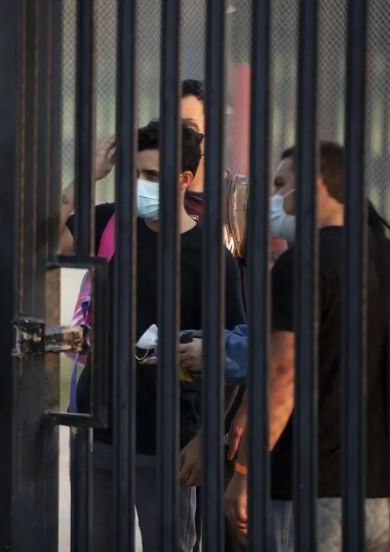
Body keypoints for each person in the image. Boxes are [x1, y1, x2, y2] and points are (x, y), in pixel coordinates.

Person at [224, 141, 390, 551]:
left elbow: (284, 376)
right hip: (380, 490)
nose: (275, 197)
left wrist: (243, 474)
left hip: (310, 487)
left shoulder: (301, 263)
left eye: (281, 184)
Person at [60, 119, 247, 552]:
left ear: (183, 180)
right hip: (99, 426)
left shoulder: (210, 256)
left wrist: (205, 440)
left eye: (151, 176)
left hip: (169, 441)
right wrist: (86, 176)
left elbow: (232, 353)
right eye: (136, 174)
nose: (139, 186)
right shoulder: (109, 225)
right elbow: (38, 240)